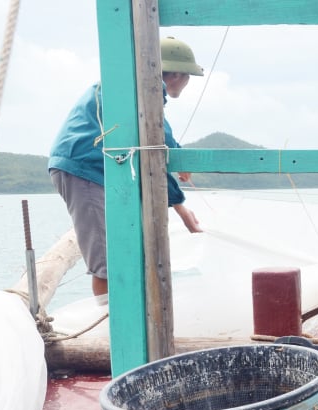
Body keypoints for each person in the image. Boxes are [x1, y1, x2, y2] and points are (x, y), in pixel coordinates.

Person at [49, 36, 204, 296]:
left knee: (124, 254)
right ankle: (111, 330)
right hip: (84, 169)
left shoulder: (135, 88)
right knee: (108, 263)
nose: (187, 83)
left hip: (98, 170)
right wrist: (180, 206)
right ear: (176, 75)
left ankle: (121, 322)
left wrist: (177, 157)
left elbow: (157, 138)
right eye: (188, 76)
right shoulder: (140, 90)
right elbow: (155, 147)